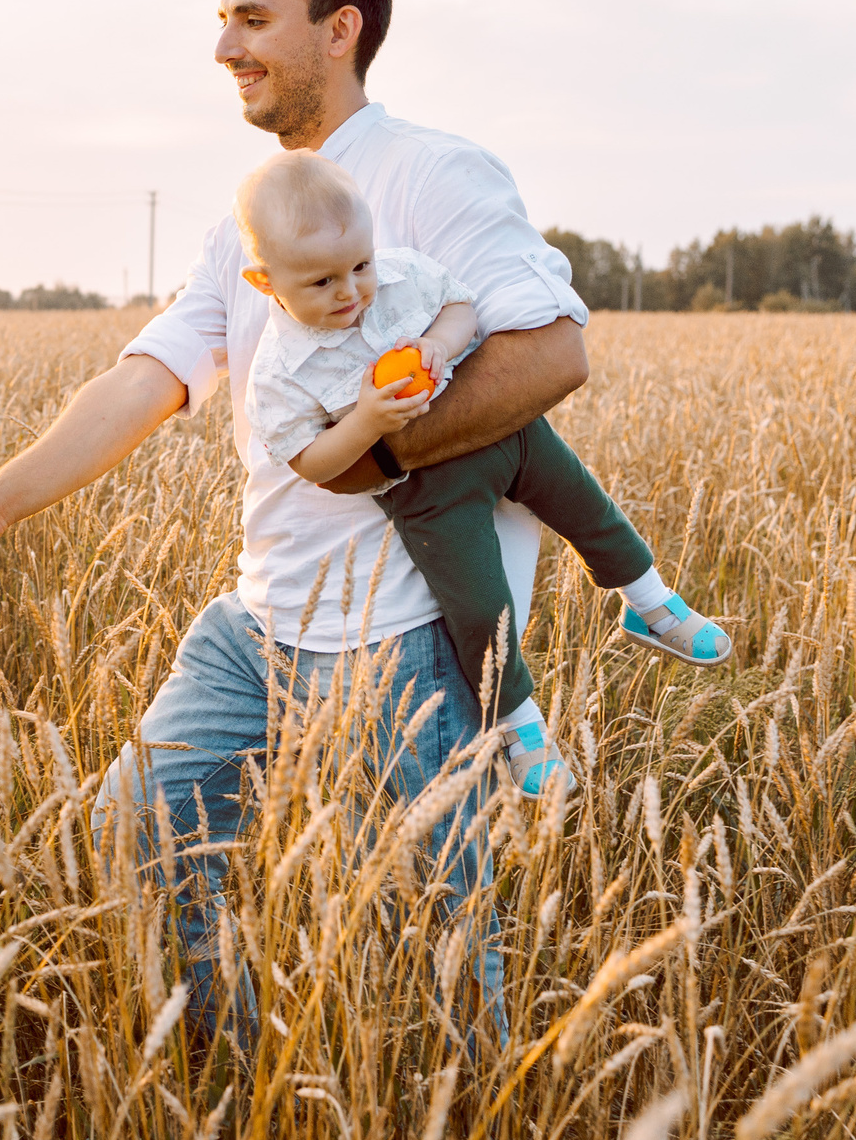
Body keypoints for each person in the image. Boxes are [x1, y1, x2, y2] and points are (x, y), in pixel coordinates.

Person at [0, 0, 596, 1036]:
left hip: (404, 634)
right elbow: (151, 375)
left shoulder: (432, 171)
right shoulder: (260, 213)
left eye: (251, 19)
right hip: (261, 623)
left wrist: (371, 451)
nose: (224, 44)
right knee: (142, 840)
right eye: (221, 20)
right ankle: (245, 1089)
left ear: (340, 29)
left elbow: (551, 348)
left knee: (443, 939)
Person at [233, 148, 732, 800]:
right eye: (323, 282)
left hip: (505, 433)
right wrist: (368, 420)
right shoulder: (280, 371)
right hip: (422, 488)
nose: (352, 291)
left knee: (586, 504)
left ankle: (649, 601)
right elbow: (314, 464)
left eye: (361, 265)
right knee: (477, 600)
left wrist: (438, 345)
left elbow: (460, 308)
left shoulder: (403, 275)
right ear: (266, 283)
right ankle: (518, 723)